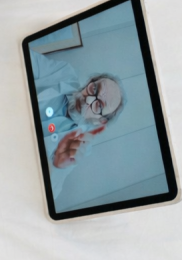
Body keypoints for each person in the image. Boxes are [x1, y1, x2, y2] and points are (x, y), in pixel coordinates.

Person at [29, 49, 126, 198]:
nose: (87, 100)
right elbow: (26, 58)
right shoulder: (64, 73)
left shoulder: (80, 146)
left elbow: (49, 193)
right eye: (94, 88)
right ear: (90, 81)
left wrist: (57, 166)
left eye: (98, 105)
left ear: (101, 120)